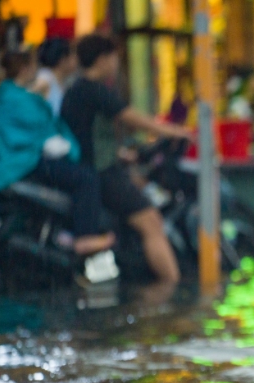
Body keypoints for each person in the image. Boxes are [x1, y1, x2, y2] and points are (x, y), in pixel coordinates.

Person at [61, 34, 191, 284]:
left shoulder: (75, 90)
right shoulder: (95, 90)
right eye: (113, 58)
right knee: (151, 221)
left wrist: (122, 154)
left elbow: (86, 136)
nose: (116, 64)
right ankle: (168, 286)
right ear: (102, 59)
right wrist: (174, 131)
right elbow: (132, 118)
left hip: (95, 167)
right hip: (102, 172)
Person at [0, 49, 114, 256]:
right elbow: (36, 131)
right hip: (25, 160)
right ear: (25, 68)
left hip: (20, 159)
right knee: (86, 178)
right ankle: (85, 237)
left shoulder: (10, 95)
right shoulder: (19, 98)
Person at [34, 38, 75, 115]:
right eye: (72, 56)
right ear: (63, 59)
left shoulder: (63, 80)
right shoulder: (45, 77)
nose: (75, 60)